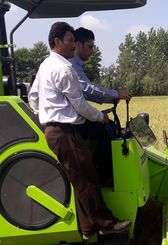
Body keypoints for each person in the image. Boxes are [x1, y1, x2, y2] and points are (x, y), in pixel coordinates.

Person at [28, 22, 130, 240]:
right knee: (87, 179)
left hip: (56, 130)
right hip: (65, 132)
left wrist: (44, 118)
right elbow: (81, 105)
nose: (74, 45)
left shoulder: (45, 65)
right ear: (57, 42)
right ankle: (106, 224)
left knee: (78, 179)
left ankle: (87, 229)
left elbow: (33, 97)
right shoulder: (65, 69)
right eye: (71, 40)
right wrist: (100, 116)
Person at [69, 27, 132, 185]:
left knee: (109, 126)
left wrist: (112, 98)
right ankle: (105, 177)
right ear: (78, 45)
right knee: (105, 131)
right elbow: (88, 89)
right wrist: (116, 94)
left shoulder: (75, 65)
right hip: (68, 121)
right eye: (90, 46)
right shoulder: (71, 65)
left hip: (74, 114)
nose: (92, 51)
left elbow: (88, 93)